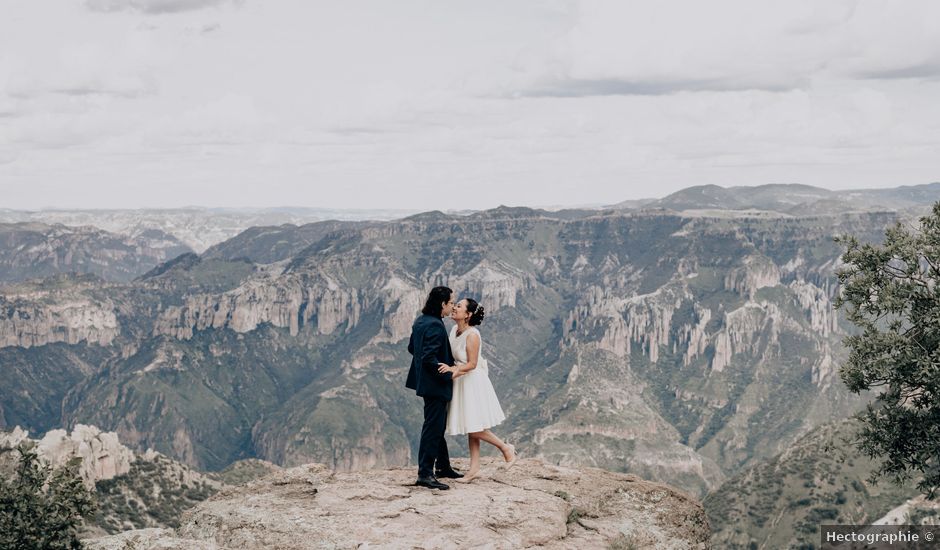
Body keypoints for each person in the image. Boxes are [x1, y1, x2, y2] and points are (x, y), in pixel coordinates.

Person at [438, 298, 517, 482]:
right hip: (461, 380)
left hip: (472, 382)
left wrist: (452, 370)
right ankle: (474, 469)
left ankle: (506, 448)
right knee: (472, 426)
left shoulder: (472, 335)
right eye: (455, 304)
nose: (455, 308)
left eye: (459, 306)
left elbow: (472, 364)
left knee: (474, 428)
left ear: (468, 314)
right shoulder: (453, 330)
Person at [406, 286, 464, 490]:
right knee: (432, 427)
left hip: (425, 382)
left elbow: (412, 348)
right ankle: (425, 473)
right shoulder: (435, 325)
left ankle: (443, 466)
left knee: (436, 425)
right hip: (435, 384)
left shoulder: (420, 321)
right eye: (450, 303)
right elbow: (429, 357)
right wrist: (449, 372)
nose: (452, 307)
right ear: (442, 304)